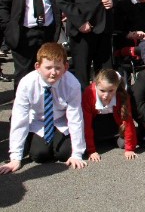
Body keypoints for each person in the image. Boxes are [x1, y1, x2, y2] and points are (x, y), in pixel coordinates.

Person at [0, 43, 86, 174]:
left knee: (65, 154)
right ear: (37, 67)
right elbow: (20, 119)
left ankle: (56, 144)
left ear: (66, 67)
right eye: (48, 68)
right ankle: (28, 141)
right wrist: (15, 158)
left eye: (58, 68)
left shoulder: (72, 83)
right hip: (37, 121)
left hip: (59, 121)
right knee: (40, 155)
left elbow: (75, 118)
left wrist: (77, 154)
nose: (53, 73)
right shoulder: (27, 83)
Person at [0, 0, 62, 93]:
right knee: (23, 75)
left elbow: (56, 3)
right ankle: (20, 112)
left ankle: (44, 110)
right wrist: (9, 28)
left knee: (47, 73)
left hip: (47, 32)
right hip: (24, 33)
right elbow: (3, 6)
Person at [82, 69, 138, 161]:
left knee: (128, 141)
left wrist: (129, 149)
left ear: (116, 87)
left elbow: (128, 121)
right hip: (95, 127)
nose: (106, 95)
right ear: (96, 86)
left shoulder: (121, 94)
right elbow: (87, 124)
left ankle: (114, 138)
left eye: (111, 90)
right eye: (102, 90)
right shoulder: (89, 93)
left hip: (114, 127)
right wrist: (91, 150)